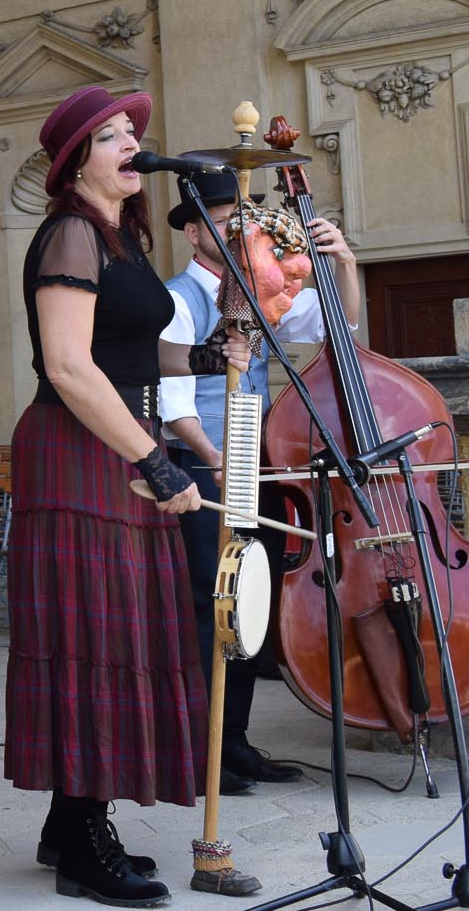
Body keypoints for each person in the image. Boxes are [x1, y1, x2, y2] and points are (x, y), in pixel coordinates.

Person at [5, 85, 249, 909]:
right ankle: (81, 840)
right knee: (90, 633)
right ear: (75, 158)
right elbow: (71, 366)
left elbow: (134, 354)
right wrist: (159, 458)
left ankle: (67, 820)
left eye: (132, 132)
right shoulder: (73, 231)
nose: (131, 143)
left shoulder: (120, 238)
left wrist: (211, 361)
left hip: (118, 444)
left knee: (116, 633)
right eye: (110, 134)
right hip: (81, 450)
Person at [159, 168, 359, 792]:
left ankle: (234, 741)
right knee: (204, 604)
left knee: (248, 605)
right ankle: (197, 749)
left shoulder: (262, 289)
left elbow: (335, 328)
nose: (237, 230)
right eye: (223, 221)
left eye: (242, 220)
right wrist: (214, 458)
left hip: (255, 461)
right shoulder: (177, 298)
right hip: (203, 464)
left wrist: (344, 263)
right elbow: (171, 395)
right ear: (193, 233)